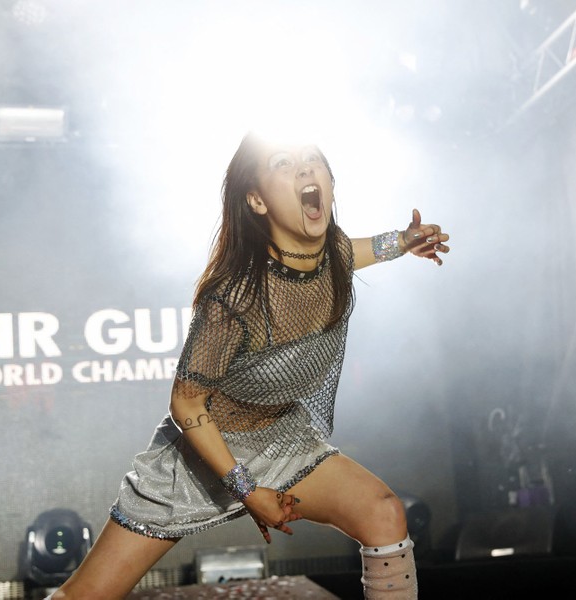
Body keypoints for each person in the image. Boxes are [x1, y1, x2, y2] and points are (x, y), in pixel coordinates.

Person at [49, 131, 450, 599]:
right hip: (203, 457)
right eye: (284, 163)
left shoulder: (332, 254)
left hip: (284, 438)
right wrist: (247, 489)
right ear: (256, 200)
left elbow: (357, 251)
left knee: (383, 512)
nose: (305, 169)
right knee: (88, 595)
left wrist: (403, 240)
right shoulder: (236, 297)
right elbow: (186, 402)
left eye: (312, 159)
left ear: (330, 184)